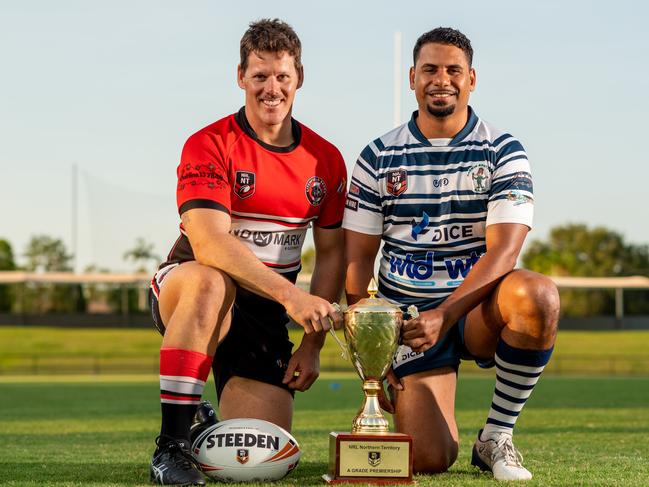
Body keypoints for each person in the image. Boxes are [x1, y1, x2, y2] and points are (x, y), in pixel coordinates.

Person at [343, 27, 559, 481]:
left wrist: (446, 312)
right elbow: (357, 260)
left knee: (537, 294)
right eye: (430, 69)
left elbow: (504, 252)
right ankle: (438, 418)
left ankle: (496, 436)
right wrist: (371, 352)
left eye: (453, 70)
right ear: (412, 77)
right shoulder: (378, 156)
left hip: (477, 308)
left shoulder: (503, 150)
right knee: (427, 459)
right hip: (412, 325)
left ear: (472, 79)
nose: (442, 79)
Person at [148, 18, 346, 486]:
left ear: (299, 78)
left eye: (282, 76)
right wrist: (292, 298)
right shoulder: (209, 143)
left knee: (261, 457)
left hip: (265, 311)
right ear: (241, 77)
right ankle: (170, 446)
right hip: (192, 285)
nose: (271, 88)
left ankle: (198, 409)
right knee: (211, 280)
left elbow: (333, 254)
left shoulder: (326, 159)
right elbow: (210, 242)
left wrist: (312, 343)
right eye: (259, 76)